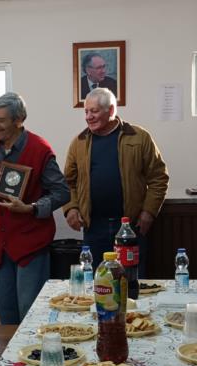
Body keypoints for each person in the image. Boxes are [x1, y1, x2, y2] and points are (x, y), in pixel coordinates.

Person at [0, 92, 70, 324]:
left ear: (19, 120)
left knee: (31, 314)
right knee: (6, 312)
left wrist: (31, 208)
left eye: (1, 120)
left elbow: (62, 192)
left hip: (31, 245)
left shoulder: (40, 149)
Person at [63, 87, 169, 272]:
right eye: (86, 112)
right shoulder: (79, 142)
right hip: (93, 228)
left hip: (130, 227)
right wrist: (71, 208)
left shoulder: (139, 137)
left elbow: (158, 177)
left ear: (111, 110)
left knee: (131, 280)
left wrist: (149, 212)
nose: (88, 117)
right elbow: (68, 182)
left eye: (94, 111)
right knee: (96, 281)